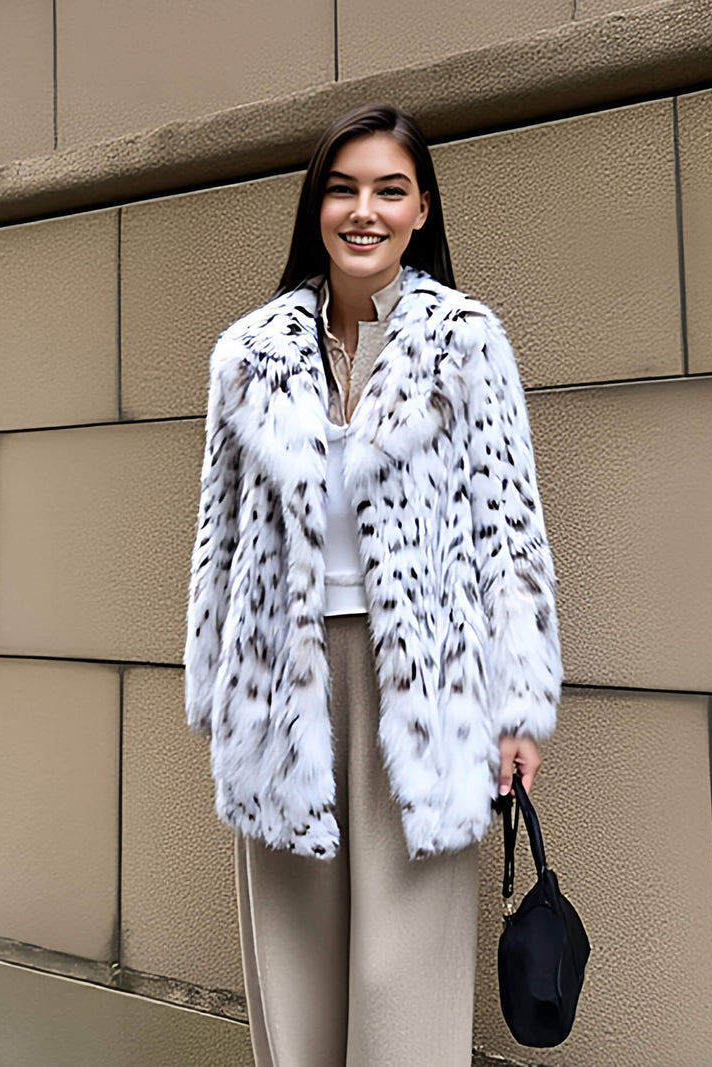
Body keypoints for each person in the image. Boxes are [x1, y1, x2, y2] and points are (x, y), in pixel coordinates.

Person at [184, 103, 563, 1067]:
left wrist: (520, 708)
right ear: (316, 206)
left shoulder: (467, 344)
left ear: (421, 208)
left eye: (390, 190)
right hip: (281, 688)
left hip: (425, 687)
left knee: (403, 980)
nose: (365, 211)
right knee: (296, 973)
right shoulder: (249, 355)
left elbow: (510, 534)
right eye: (343, 189)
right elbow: (218, 539)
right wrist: (214, 694)